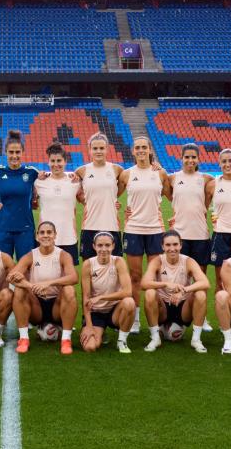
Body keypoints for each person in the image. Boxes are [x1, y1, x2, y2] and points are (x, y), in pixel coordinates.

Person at [120, 135, 170, 335]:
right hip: (133, 229)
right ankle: (135, 319)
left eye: (144, 147)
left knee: (154, 276)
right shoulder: (126, 174)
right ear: (133, 151)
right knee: (135, 276)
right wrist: (119, 207)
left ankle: (155, 319)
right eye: (137, 147)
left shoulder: (160, 173)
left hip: (155, 230)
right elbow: (112, 194)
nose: (141, 150)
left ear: (150, 150)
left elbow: (172, 196)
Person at [166, 143, 215, 332]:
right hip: (180, 236)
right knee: (181, 277)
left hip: (201, 235)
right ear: (182, 158)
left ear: (198, 160)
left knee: (199, 277)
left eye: (194, 157)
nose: (190, 160)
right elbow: (171, 198)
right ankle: (178, 315)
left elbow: (207, 202)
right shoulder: (172, 178)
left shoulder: (206, 179)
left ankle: (200, 318)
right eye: (187, 157)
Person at [10, 221, 79, 355]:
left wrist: (49, 283)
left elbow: (73, 277)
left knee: (69, 290)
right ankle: (23, 339)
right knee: (19, 290)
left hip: (57, 307)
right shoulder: (31, 255)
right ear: (37, 236)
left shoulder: (63, 255)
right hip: (36, 307)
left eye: (49, 232)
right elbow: (11, 277)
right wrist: (31, 286)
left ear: (55, 235)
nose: (45, 235)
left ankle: (66, 340)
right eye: (42, 232)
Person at [141, 230, 210, 353]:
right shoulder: (157, 261)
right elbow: (144, 283)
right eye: (168, 245)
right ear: (162, 246)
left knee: (200, 294)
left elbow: (205, 282)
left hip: (182, 307)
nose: (172, 248)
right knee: (150, 293)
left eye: (175, 244)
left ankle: (196, 340)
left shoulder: (188, 261)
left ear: (180, 245)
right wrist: (165, 284)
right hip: (163, 308)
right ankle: (155, 338)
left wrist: (183, 291)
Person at [80, 232, 135, 354]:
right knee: (90, 347)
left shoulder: (118, 262)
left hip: (115, 310)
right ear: (94, 246)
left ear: (113, 246)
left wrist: (101, 297)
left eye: (107, 245)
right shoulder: (88, 265)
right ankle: (100, 331)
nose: (103, 249)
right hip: (96, 312)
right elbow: (86, 297)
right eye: (100, 245)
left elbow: (128, 291)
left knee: (129, 302)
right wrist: (88, 325)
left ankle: (122, 341)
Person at [0, 130, 39, 261]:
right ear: (6, 152)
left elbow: (47, 183)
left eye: (18, 152)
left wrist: (35, 199)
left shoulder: (32, 172)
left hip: (25, 228)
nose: (14, 155)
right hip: (3, 227)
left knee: (26, 268)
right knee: (1, 268)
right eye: (11, 152)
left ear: (22, 152)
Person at [75, 132, 124, 261]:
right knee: (88, 268)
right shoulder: (82, 171)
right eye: (95, 148)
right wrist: (84, 201)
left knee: (114, 268)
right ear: (89, 150)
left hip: (112, 225)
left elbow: (124, 186)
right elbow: (76, 192)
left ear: (107, 149)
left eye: (101, 148)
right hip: (89, 225)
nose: (98, 151)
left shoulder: (117, 169)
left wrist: (113, 198)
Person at [34, 143, 82, 262]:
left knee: (68, 276)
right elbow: (29, 202)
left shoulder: (74, 182)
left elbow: (88, 200)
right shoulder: (39, 183)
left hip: (68, 237)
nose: (56, 164)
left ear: (65, 161)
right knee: (45, 273)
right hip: (45, 236)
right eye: (52, 161)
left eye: (59, 160)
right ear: (48, 162)